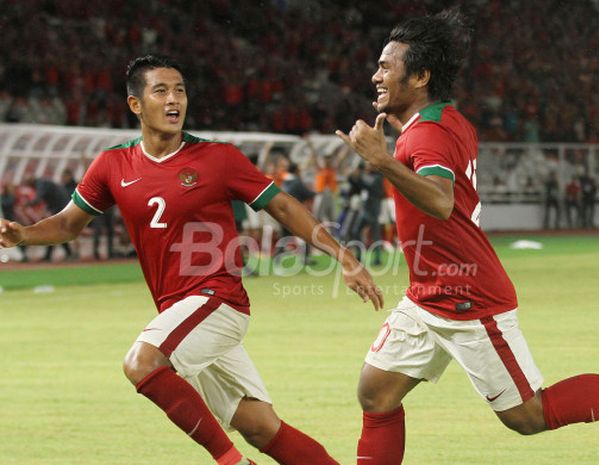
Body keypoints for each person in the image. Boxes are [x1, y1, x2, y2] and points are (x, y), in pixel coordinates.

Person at [335, 11, 599, 465]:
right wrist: (400, 148)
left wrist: (383, 162)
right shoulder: (443, 120)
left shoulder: (426, 133)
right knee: (376, 394)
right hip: (429, 294)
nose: (376, 75)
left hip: (467, 298)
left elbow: (442, 201)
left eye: (387, 67)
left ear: (421, 76)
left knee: (529, 415)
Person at [0, 55, 383, 465]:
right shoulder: (112, 165)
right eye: (161, 91)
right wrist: (23, 235)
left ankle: (233, 464)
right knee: (259, 425)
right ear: (135, 105)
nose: (174, 100)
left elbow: (285, 208)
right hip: (181, 312)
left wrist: (343, 255)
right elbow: (68, 225)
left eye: (180, 90)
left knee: (141, 362)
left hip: (218, 300)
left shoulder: (218, 158)